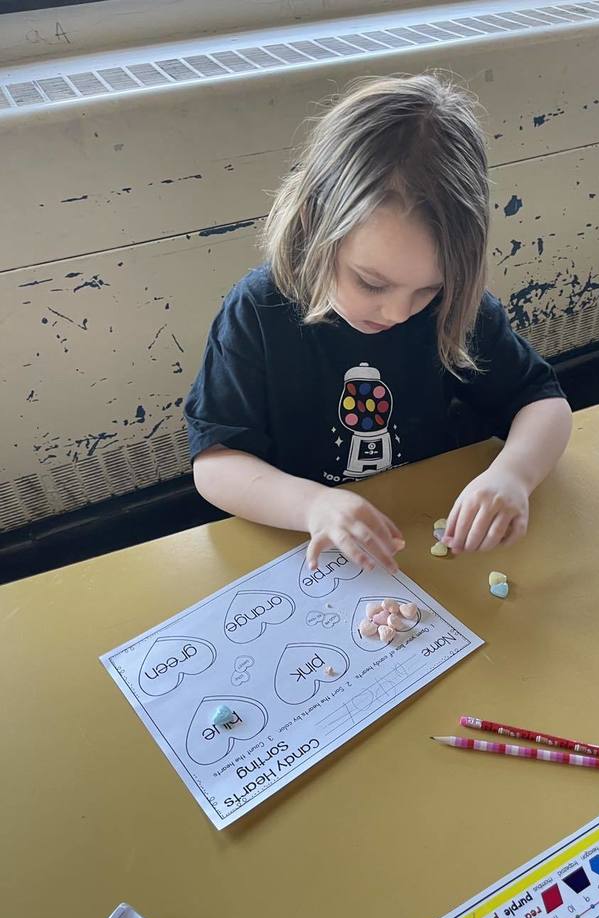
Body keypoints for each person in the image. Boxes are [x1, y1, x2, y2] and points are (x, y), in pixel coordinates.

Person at [185, 72, 571, 574]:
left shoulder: (452, 304)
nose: (398, 313)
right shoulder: (258, 311)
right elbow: (216, 465)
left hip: (420, 539)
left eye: (428, 289)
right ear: (314, 224)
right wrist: (313, 505)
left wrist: (513, 475)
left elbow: (544, 403)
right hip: (302, 551)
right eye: (371, 283)